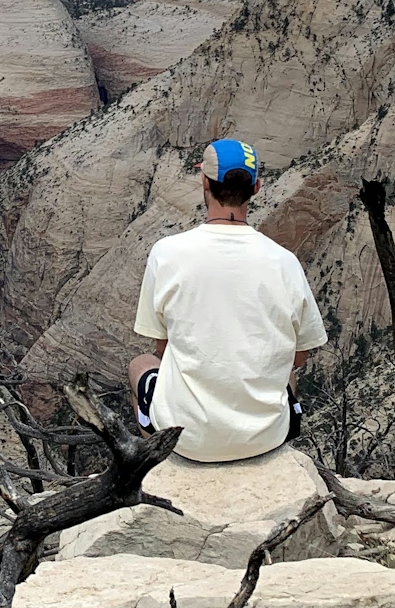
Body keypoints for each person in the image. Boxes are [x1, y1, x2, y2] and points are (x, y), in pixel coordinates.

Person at [128, 139, 327, 463]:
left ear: (205, 182)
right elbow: (300, 356)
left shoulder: (166, 253)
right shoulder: (284, 262)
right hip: (265, 438)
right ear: (257, 187)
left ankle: (159, 461)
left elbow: (162, 350)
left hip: (186, 440)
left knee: (141, 366)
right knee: (285, 371)